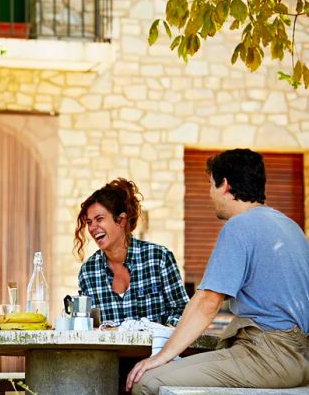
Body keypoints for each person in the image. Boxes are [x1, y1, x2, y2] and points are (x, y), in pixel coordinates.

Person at [127, 149, 309, 394]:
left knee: (146, 382)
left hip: (269, 356)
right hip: (300, 356)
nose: (209, 193)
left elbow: (208, 302)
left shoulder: (240, 226)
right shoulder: (290, 226)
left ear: (225, 185)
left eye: (211, 184)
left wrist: (162, 356)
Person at [75, 178, 189, 326]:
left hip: (158, 349)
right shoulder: (88, 272)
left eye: (99, 219)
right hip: (110, 350)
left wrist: (158, 331)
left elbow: (182, 312)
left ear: (121, 220)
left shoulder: (158, 258)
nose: (92, 227)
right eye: (89, 222)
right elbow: (87, 326)